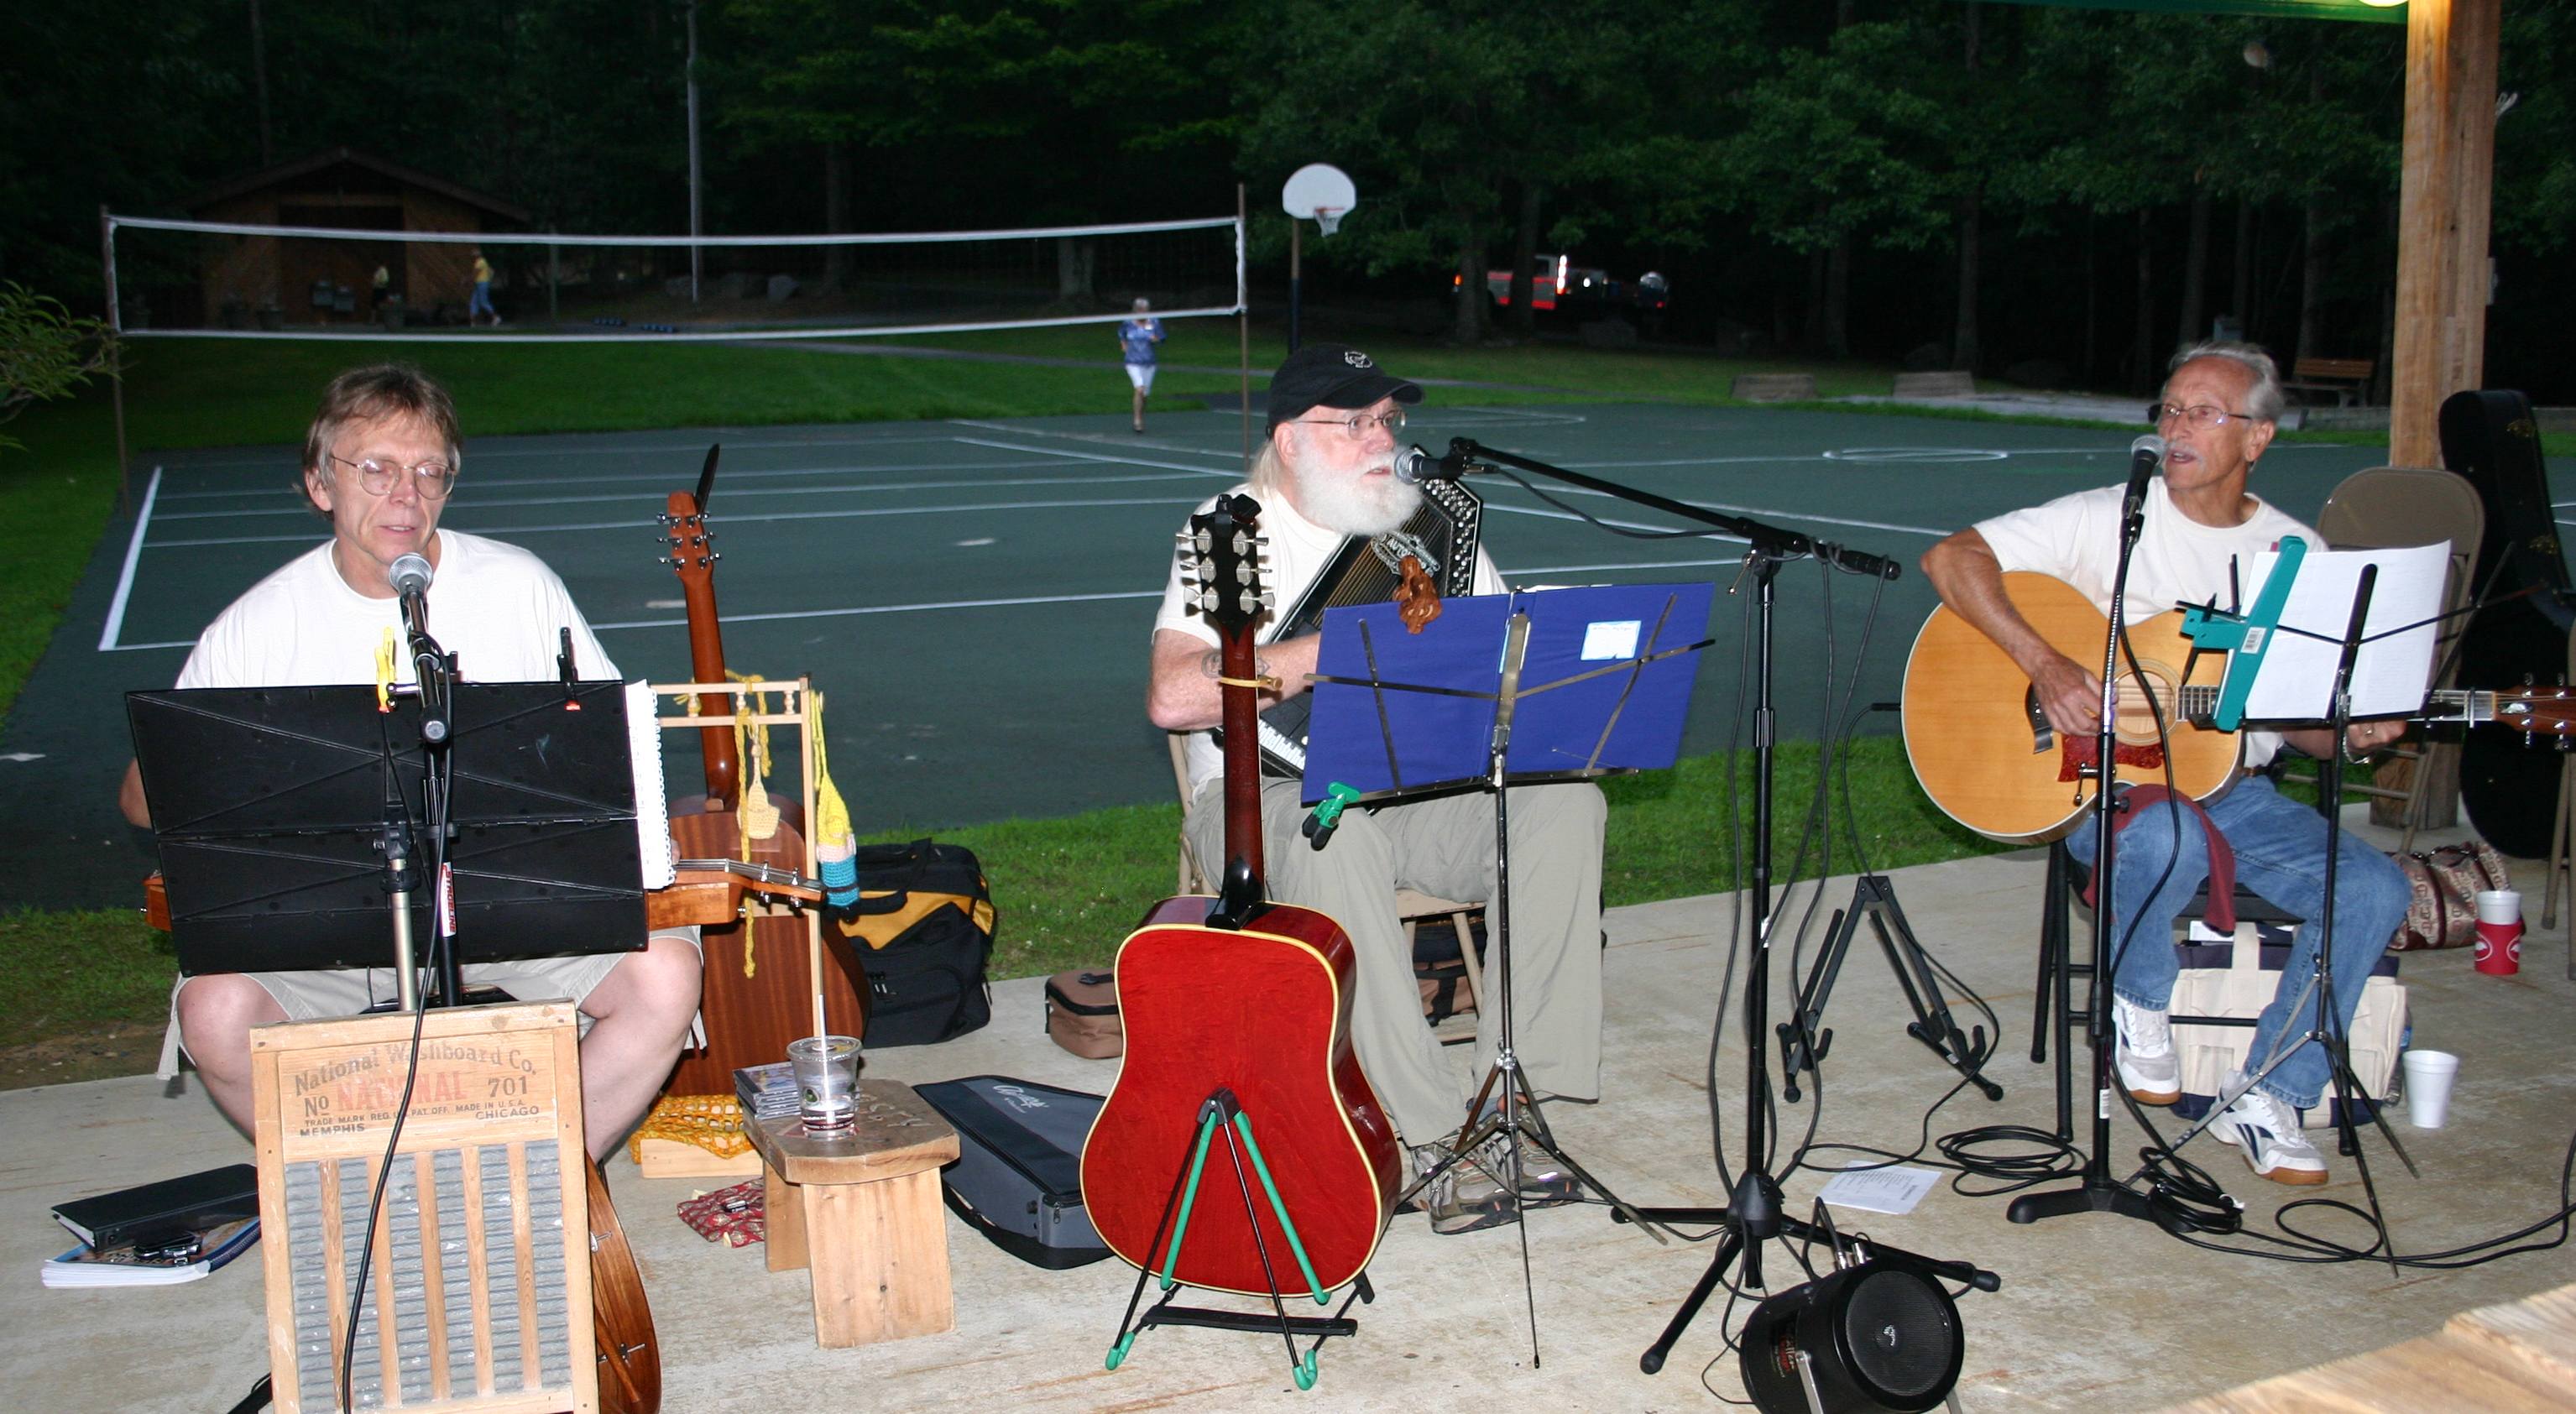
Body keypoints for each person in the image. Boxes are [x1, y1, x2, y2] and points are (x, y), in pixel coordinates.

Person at [118, 364, 700, 1160]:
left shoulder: (519, 585)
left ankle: (538, 1183)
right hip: (331, 926)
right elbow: (143, 801)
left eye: (430, 472)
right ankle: (370, 1193)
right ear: (320, 483)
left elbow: (614, 748)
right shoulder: (256, 624)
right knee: (216, 1012)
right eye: (377, 468)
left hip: (512, 910)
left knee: (663, 975)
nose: (407, 495)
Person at [1920, 340, 2412, 1185]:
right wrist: (2045, 661)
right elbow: (1951, 559)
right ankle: (2142, 999)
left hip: (2238, 793)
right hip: (2102, 790)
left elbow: (2299, 724)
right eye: (2171, 408)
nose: (2177, 426)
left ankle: (2272, 1089)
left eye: (2203, 411)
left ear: (2257, 437)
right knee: (2170, 835)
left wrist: (2353, 732)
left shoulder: (2296, 557)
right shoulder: (2108, 516)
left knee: (2375, 887)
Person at [1146, 342, 1607, 1232]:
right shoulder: (1228, 528)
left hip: (1420, 788)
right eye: (1351, 421)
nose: (1380, 438)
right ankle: (1429, 1136)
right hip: (1262, 797)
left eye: (1387, 419)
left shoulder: (1428, 523)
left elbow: (1497, 659)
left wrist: (1536, 653)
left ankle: (1517, 1112)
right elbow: (1173, 694)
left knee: (1563, 805)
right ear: (1289, 439)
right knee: (1339, 833)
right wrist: (1336, 650)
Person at [1118, 298, 1166, 433]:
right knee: (1139, 389)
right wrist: (1124, 345)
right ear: (1135, 310)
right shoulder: (1128, 323)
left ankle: (1140, 415)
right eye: (1140, 310)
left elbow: (1162, 338)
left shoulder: (1154, 322)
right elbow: (1122, 334)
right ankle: (1137, 420)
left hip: (1149, 362)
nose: (1143, 312)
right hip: (1133, 362)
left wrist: (1155, 339)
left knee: (1144, 394)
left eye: (1145, 310)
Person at [468, 246, 499, 326]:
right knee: (474, 302)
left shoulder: (480, 262)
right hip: (479, 283)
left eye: (474, 254)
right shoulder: (480, 262)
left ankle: (495, 317)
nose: (472, 255)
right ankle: (473, 322)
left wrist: (467, 281)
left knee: (483, 302)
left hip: (482, 283)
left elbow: (475, 273)